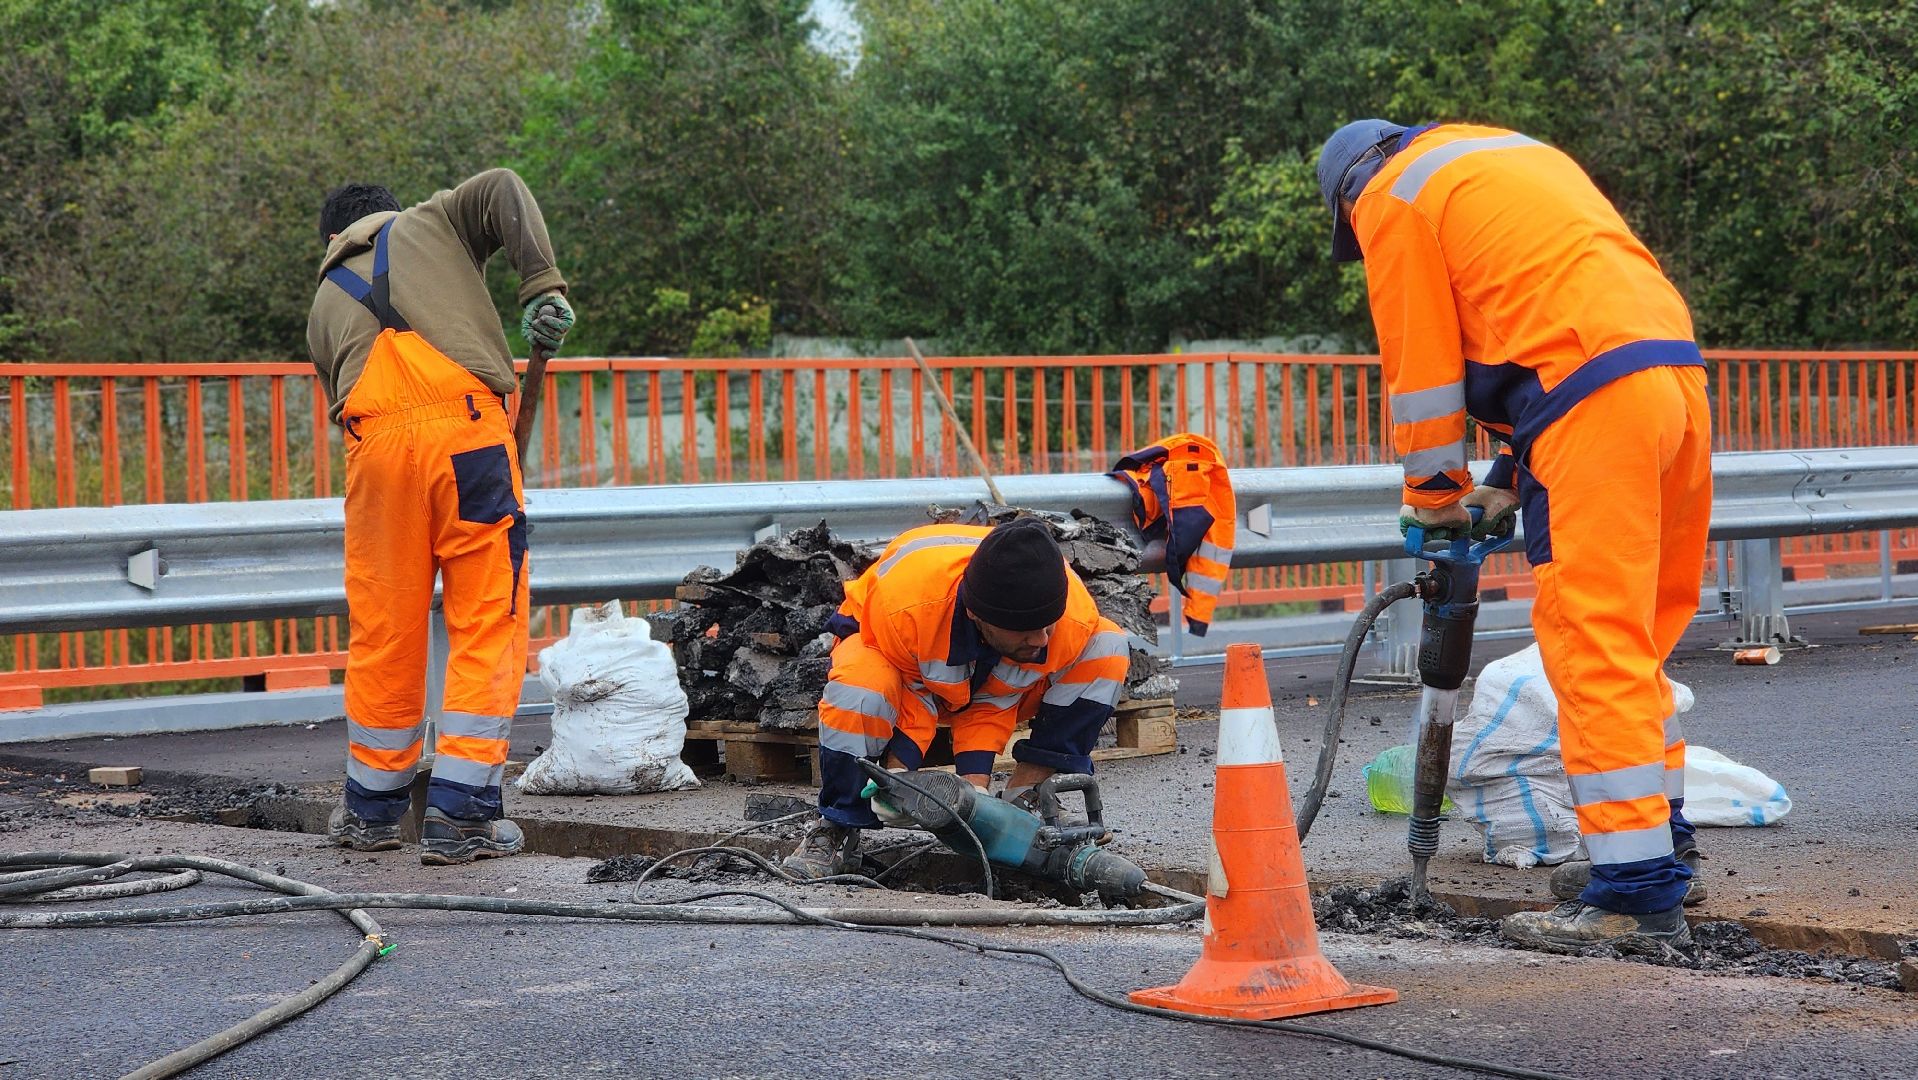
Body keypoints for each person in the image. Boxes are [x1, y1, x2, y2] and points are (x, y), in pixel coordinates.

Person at [1317, 120, 1711, 951]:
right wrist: (1507, 479)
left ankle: (1635, 895)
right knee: (1633, 643)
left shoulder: (1391, 198)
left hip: (1590, 404)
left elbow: (1422, 370)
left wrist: (1435, 496)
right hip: (1669, 376)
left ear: (1349, 197)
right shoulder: (1502, 156)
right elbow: (1537, 318)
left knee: (1590, 641)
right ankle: (1657, 852)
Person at [306, 169, 574, 865]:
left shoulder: (322, 303)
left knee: (384, 630)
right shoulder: (429, 224)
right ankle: (461, 817)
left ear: (332, 238)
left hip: (375, 461)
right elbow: (507, 187)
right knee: (487, 618)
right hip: (466, 447)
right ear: (387, 216)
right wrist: (541, 285)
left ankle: (370, 813)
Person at [784, 519, 1132, 878]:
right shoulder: (904, 608)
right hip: (884, 642)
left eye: (1047, 627)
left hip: (964, 648)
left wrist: (974, 788)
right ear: (977, 616)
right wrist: (902, 776)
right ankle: (838, 823)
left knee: (1107, 647)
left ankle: (1026, 796)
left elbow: (997, 695)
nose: (1042, 640)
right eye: (1028, 631)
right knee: (861, 688)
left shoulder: (1068, 617)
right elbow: (915, 692)